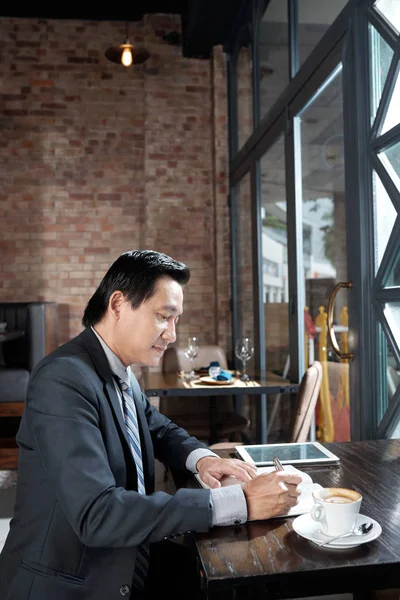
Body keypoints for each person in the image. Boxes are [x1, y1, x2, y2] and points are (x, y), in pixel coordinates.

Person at [0, 250, 301, 600]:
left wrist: (203, 459)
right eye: (163, 316)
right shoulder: (63, 379)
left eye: (176, 320)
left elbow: (154, 425)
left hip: (126, 552)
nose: (172, 334)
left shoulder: (118, 367)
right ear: (117, 304)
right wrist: (238, 502)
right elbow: (99, 514)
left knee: (234, 577)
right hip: (72, 579)